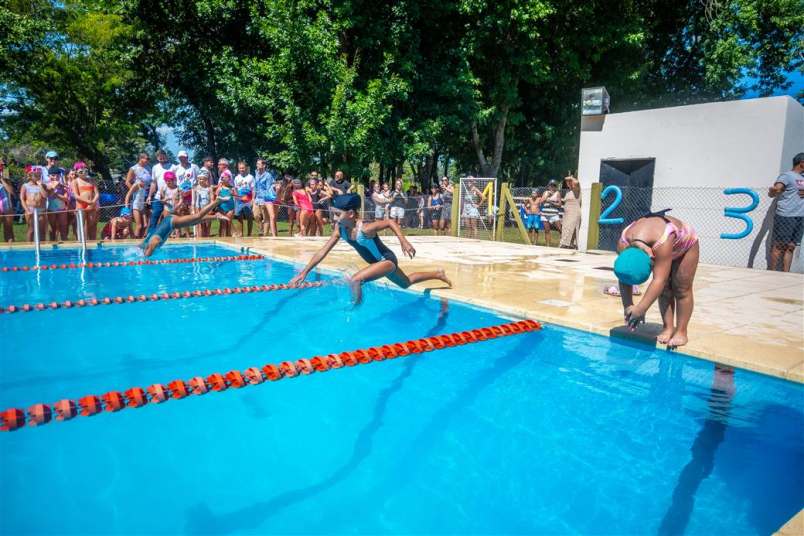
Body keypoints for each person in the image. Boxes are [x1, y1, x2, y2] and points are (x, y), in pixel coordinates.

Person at [289, 193, 452, 304]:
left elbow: (390, 222)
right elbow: (322, 251)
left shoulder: (365, 228)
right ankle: (438, 274)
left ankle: (355, 308)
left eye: (338, 214)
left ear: (351, 214)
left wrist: (404, 241)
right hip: (376, 264)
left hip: (386, 260)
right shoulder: (340, 229)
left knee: (355, 280)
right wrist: (304, 272)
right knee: (406, 283)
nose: (335, 218)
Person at [614, 209, 699, 348]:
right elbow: (624, 276)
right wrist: (628, 305)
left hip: (685, 243)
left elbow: (659, 279)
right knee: (665, 291)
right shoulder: (623, 243)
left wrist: (641, 308)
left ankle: (682, 331)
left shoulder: (662, 241)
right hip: (655, 244)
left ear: (651, 257)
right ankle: (668, 327)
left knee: (681, 288)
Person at [141, 198, 229, 257]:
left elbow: (147, 257)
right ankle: (216, 216)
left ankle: (216, 201)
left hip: (172, 222)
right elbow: (140, 247)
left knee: (197, 216)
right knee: (194, 222)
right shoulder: (147, 241)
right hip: (169, 221)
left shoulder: (154, 242)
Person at [768, 153, 804, 272]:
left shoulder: (803, 178)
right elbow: (777, 188)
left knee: (791, 247)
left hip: (800, 217)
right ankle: (772, 273)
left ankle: (786, 274)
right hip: (786, 216)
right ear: (801, 163)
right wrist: (774, 190)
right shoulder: (787, 175)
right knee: (779, 246)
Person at [147, 150, 175, 234]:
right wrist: (149, 196)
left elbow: (176, 181)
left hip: (170, 195)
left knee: (170, 216)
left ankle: (170, 234)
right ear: (157, 157)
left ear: (166, 156)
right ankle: (151, 234)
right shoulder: (155, 167)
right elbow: (153, 183)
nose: (161, 158)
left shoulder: (173, 167)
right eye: (159, 156)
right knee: (155, 215)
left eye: (163, 156)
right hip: (158, 196)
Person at [125, 153, 152, 238]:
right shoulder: (134, 168)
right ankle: (135, 241)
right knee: (139, 225)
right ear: (141, 158)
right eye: (147, 158)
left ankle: (140, 240)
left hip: (145, 198)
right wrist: (134, 190)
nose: (148, 160)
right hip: (136, 199)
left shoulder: (148, 168)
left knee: (145, 224)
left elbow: (150, 182)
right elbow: (127, 182)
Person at [20, 166, 47, 242]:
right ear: (30, 176)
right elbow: (22, 199)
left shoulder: (42, 185)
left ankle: (42, 246)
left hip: (41, 210)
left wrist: (40, 186)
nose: (38, 177)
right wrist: (27, 210)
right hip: (30, 210)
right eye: (36, 175)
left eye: (39, 175)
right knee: (31, 229)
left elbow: (45, 196)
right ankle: (29, 248)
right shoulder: (25, 186)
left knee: (42, 230)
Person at [72, 167, 99, 239]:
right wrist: (88, 201)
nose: (84, 173)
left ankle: (92, 242)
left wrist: (93, 202)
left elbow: (97, 194)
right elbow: (76, 195)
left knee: (91, 224)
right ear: (76, 172)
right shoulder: (75, 181)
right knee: (81, 225)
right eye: (81, 172)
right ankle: (81, 242)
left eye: (86, 171)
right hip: (81, 205)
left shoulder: (92, 180)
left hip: (91, 204)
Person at [254, 158, 278, 237]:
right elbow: (255, 186)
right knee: (256, 215)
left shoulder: (268, 176)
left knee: (266, 218)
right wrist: (253, 198)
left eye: (259, 164)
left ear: (264, 165)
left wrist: (266, 200)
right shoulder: (256, 173)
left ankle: (265, 235)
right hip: (257, 198)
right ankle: (261, 228)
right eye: (257, 164)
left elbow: (268, 189)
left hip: (266, 199)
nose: (257, 165)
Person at [44, 166, 69, 241]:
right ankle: (53, 245)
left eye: (57, 175)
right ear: (49, 176)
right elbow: (48, 195)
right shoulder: (47, 185)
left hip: (62, 208)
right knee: (52, 228)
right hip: (51, 209)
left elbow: (66, 198)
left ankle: (65, 246)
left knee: (63, 228)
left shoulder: (63, 186)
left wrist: (56, 195)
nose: (55, 177)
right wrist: (54, 186)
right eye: (53, 175)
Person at [559, 174, 581, 249]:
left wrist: (571, 178)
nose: (568, 183)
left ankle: (569, 243)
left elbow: (576, 182)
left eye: (570, 182)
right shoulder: (569, 192)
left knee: (572, 227)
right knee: (565, 228)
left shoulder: (577, 190)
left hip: (574, 212)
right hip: (567, 213)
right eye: (567, 182)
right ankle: (565, 243)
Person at [233, 161, 255, 237]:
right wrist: (236, 196)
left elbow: (253, 189)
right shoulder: (236, 178)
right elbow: (235, 188)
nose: (241, 169)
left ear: (246, 168)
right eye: (240, 168)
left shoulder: (250, 177)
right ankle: (240, 234)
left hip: (248, 198)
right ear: (238, 169)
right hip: (239, 199)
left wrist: (253, 200)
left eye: (243, 168)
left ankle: (249, 234)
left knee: (249, 217)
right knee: (239, 217)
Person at [539, 180, 562, 247]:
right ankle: (547, 245)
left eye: (554, 185)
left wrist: (552, 202)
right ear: (548, 186)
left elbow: (560, 204)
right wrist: (547, 196)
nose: (552, 187)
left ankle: (561, 243)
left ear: (555, 186)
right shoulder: (545, 192)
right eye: (550, 185)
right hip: (545, 214)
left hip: (554, 214)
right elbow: (541, 202)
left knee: (559, 229)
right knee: (547, 230)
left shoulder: (557, 193)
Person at [193, 170, 214, 237]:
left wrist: (211, 209)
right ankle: (199, 239)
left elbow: (212, 199)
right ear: (197, 179)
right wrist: (193, 210)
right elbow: (193, 201)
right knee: (200, 226)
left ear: (206, 179)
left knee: (207, 225)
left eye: (203, 179)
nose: (201, 180)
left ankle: (207, 238)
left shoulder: (209, 188)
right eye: (199, 179)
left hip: (207, 208)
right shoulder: (195, 188)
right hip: (199, 209)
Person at [215, 163, 235, 236]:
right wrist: (217, 207)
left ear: (229, 179)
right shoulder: (219, 188)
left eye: (227, 178)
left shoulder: (232, 188)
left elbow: (236, 196)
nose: (226, 179)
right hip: (222, 208)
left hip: (230, 208)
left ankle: (228, 237)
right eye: (224, 178)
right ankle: (221, 238)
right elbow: (216, 197)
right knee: (222, 224)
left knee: (229, 223)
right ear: (222, 179)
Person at [0, 158, 15, 242]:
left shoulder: (5, 172)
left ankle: (11, 252)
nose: (2, 165)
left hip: (6, 205)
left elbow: (11, 191)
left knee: (9, 230)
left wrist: (2, 179)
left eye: (3, 164)